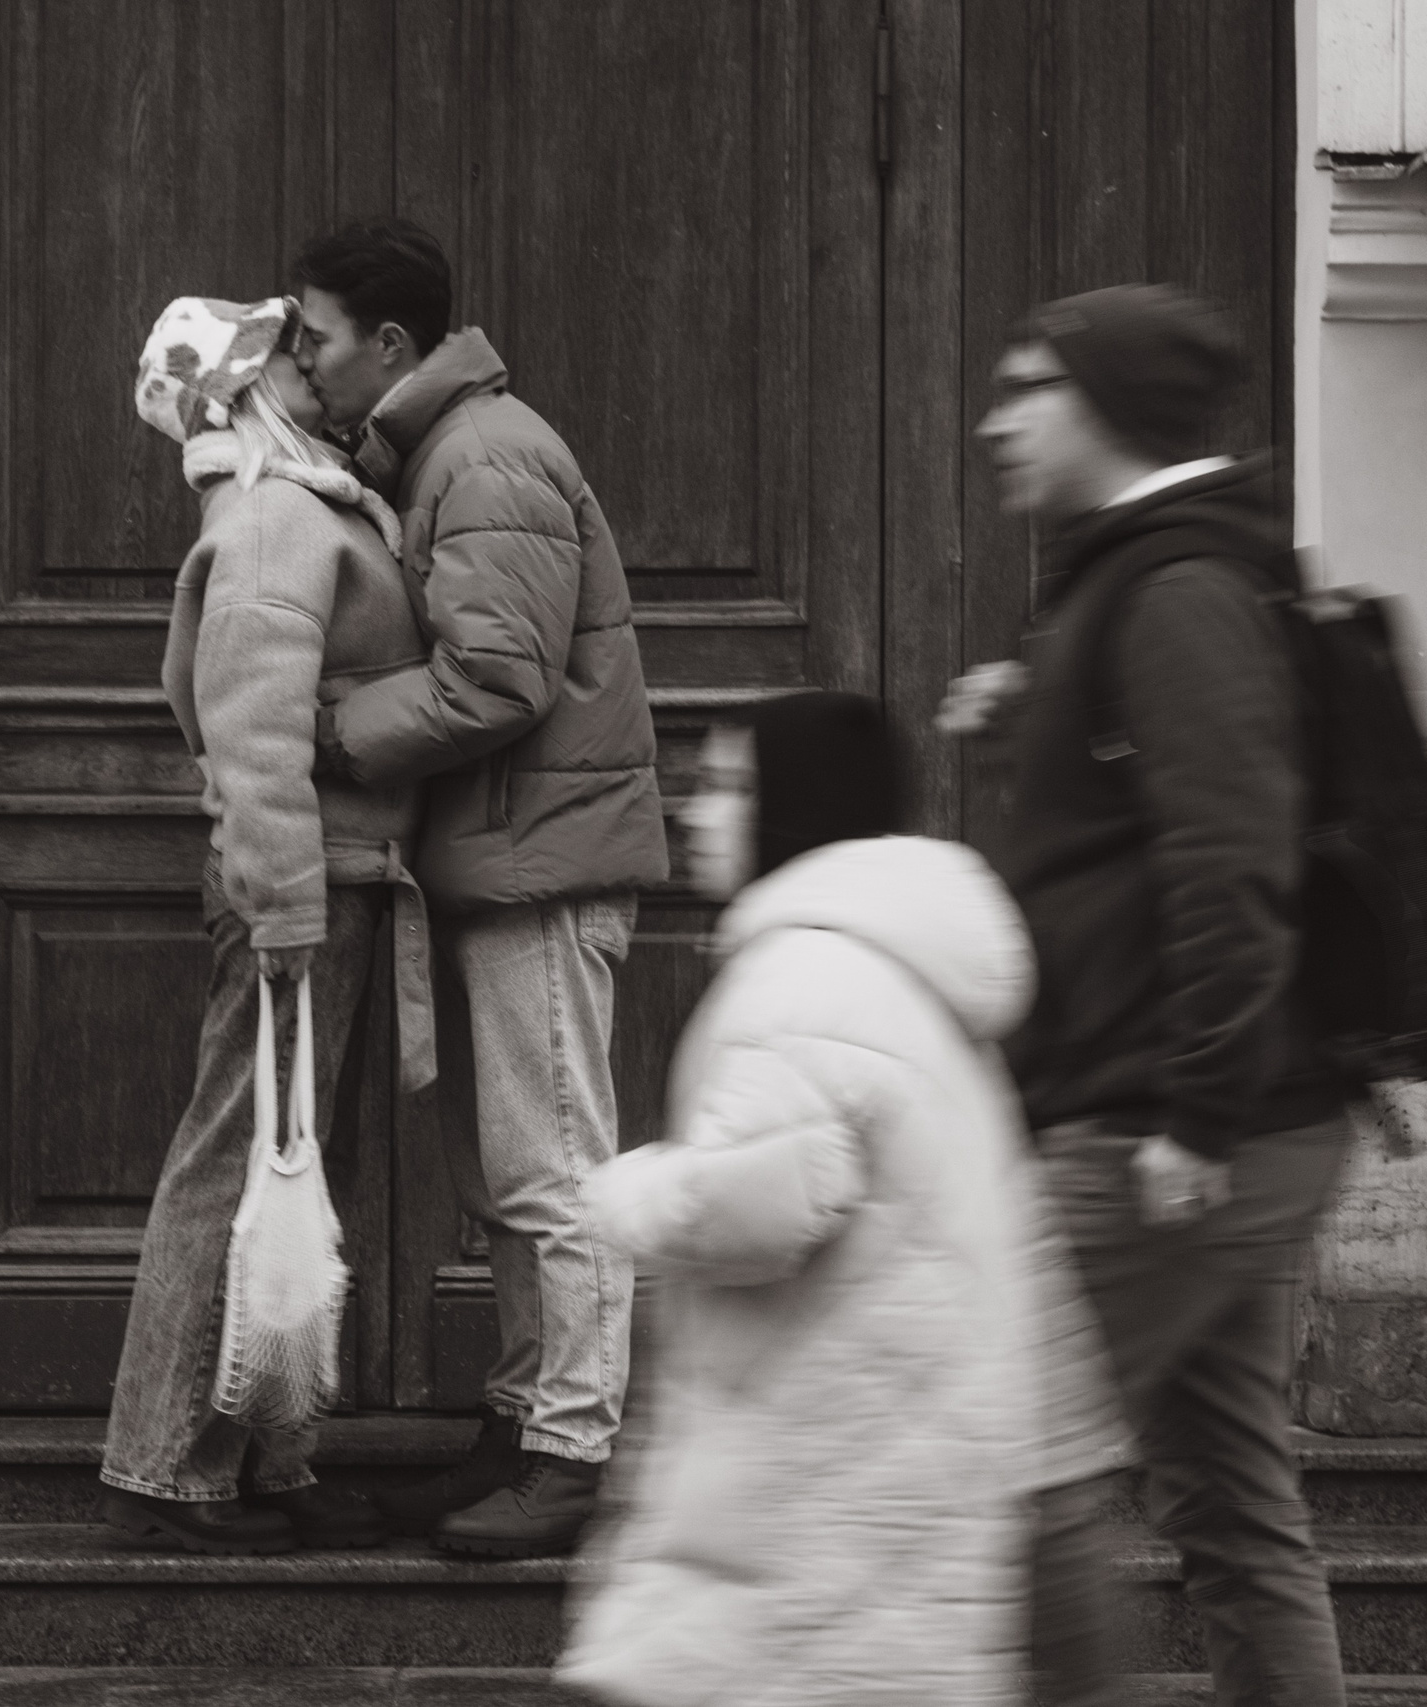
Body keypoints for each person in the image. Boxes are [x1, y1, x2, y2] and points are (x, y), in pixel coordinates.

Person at [559, 693, 1131, 1707]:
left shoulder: (801, 978)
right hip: (876, 1475)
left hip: (815, 1496)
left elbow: (761, 1210)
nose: (697, 809)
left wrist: (624, 1193)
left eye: (730, 784)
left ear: (790, 806)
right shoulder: (892, 972)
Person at [949, 283, 1353, 1706]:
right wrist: (1031, 710)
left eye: (1029, 388)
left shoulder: (1178, 587)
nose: (998, 421)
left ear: (1109, 406)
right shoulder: (1146, 575)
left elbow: (1231, 858)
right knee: (1230, 1498)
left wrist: (1197, 1111)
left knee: (999, 1456)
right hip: (1218, 1118)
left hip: (1163, 1131)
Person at [291, 218, 669, 1558]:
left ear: (390, 343)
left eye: (315, 337)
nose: (302, 360)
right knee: (514, 1169)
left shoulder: (487, 454)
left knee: (552, 1167)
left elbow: (495, 679)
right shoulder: (444, 451)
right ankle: (522, 1423)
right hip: (501, 858)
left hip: (537, 867)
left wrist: (327, 727)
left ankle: (571, 1450)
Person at [99, 294, 436, 1556]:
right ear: (242, 394)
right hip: (301, 888)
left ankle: (265, 1454)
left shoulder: (299, 501)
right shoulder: (272, 516)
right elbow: (248, 726)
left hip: (331, 878)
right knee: (239, 1165)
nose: (311, 365)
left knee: (285, 1173)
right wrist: (286, 898)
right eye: (284, 356)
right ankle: (165, 1466)